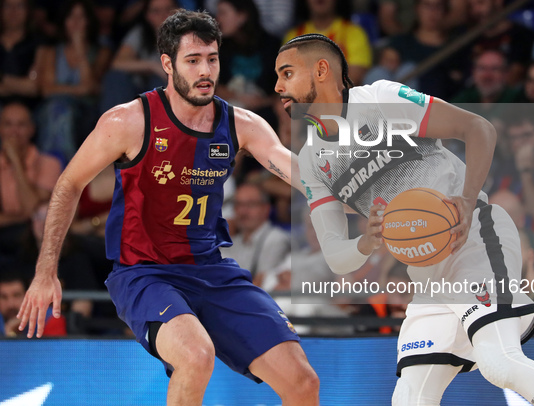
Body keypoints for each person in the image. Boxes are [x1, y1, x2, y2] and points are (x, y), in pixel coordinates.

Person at [17, 10, 319, 406]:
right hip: (145, 272)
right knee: (195, 356)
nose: (205, 70)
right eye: (193, 61)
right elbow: (69, 183)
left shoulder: (240, 124)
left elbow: (296, 171)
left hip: (211, 270)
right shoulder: (128, 121)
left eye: (211, 58)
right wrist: (45, 271)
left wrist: (354, 190)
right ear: (167, 64)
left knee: (302, 381)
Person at [274, 33, 534, 405]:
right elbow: (338, 257)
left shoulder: (381, 99)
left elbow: (478, 128)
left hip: (474, 239)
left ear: (321, 70)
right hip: (426, 272)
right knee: (409, 399)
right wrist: (368, 241)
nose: (277, 86)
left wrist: (467, 202)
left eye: (286, 73)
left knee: (499, 362)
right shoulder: (311, 161)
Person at [37, 0, 111, 165]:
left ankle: (65, 170)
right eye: (71, 17)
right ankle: (56, 167)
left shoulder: (101, 52)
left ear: (89, 22)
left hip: (86, 113)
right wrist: (81, 89)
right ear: (64, 22)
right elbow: (47, 90)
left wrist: (80, 50)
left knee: (61, 111)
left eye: (81, 17)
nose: (76, 22)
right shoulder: (51, 52)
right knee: (58, 110)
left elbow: (91, 87)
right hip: (53, 110)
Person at [0, 102, 61, 268]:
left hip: (32, 237)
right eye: (8, 124)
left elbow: (32, 210)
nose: (14, 131)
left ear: (32, 129)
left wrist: (15, 162)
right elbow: (27, 215)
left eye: (21, 125)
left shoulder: (49, 164)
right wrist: (21, 218)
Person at [220, 183, 290, 287]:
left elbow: (263, 285)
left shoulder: (276, 239)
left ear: (266, 208)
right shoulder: (233, 243)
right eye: (238, 204)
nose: (243, 211)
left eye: (251, 204)